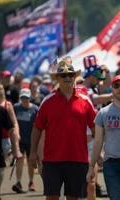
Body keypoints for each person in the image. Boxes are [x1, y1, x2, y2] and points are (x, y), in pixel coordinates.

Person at [29, 59, 97, 200]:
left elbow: (96, 128)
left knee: (73, 198)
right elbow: (37, 128)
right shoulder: (47, 101)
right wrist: (33, 152)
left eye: (70, 75)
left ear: (74, 77)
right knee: (52, 198)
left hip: (78, 159)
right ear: (57, 79)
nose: (67, 78)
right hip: (52, 160)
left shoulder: (85, 101)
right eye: (63, 75)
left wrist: (100, 151)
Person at [81, 55, 112, 199]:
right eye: (96, 75)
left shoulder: (94, 86)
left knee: (93, 165)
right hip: (88, 132)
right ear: (90, 75)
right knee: (90, 165)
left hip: (95, 130)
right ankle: (92, 188)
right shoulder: (83, 88)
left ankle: (94, 187)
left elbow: (106, 83)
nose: (98, 77)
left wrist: (107, 72)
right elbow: (95, 99)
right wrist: (115, 95)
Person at [12, 88, 39, 193]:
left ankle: (31, 182)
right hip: (19, 139)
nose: (24, 100)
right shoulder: (16, 107)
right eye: (22, 98)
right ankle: (18, 182)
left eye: (26, 98)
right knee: (19, 160)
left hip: (31, 139)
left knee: (30, 161)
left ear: (30, 97)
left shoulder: (35, 109)